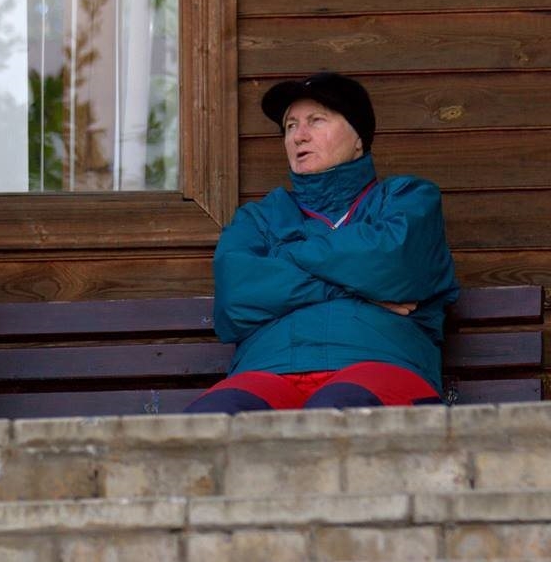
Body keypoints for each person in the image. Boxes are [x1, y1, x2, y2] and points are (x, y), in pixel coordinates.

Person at [185, 72, 459, 414]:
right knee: (208, 421)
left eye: (316, 120)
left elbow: (395, 263)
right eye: (290, 126)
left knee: (335, 412)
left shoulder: (407, 198)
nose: (299, 136)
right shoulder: (257, 219)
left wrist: (286, 257)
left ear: (358, 137)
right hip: (268, 370)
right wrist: (358, 286)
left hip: (379, 363)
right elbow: (235, 300)